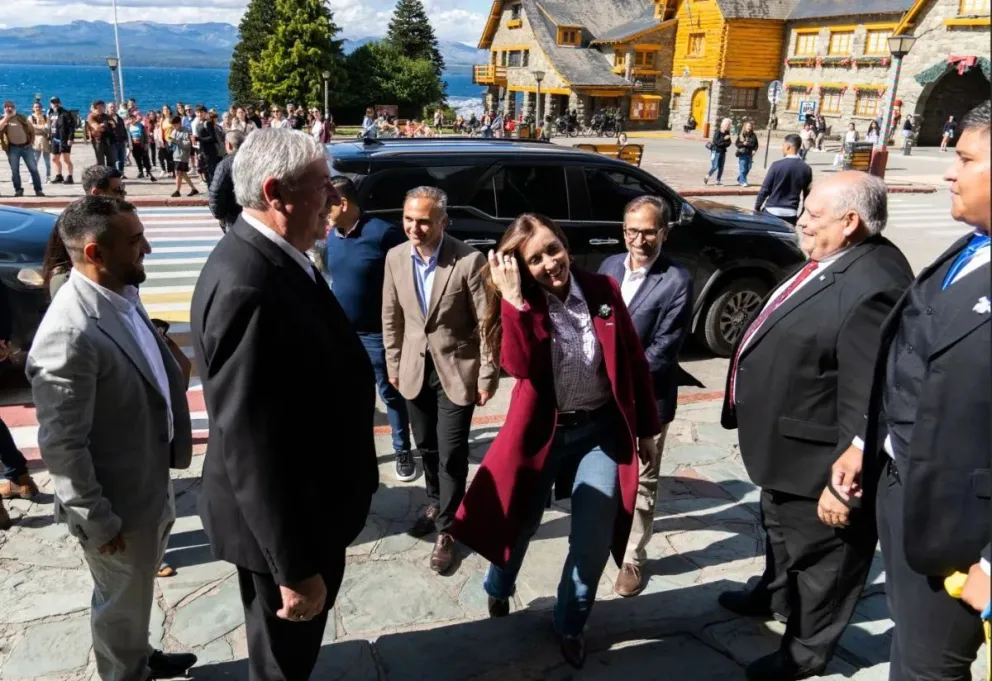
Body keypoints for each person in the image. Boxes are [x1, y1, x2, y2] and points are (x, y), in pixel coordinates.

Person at [191, 129, 378, 681]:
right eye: (324, 188)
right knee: (282, 666)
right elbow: (252, 443)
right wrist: (294, 569)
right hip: (289, 532)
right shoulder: (249, 286)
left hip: (308, 513)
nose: (335, 202)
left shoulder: (275, 255)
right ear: (276, 193)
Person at [720, 172, 913, 681]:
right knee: (780, 534)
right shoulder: (834, 258)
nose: (801, 220)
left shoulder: (874, 285)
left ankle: (804, 651)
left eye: (813, 213)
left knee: (825, 563)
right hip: (784, 449)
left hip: (817, 462)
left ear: (850, 223)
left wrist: (843, 482)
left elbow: (870, 398)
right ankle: (774, 593)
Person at [451, 214, 662, 669]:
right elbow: (520, 366)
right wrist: (513, 303)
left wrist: (646, 427)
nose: (550, 263)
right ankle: (498, 586)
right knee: (520, 523)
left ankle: (570, 623)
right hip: (542, 434)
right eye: (535, 259)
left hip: (600, 433)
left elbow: (634, 361)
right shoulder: (522, 302)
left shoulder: (603, 291)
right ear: (520, 268)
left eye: (553, 249)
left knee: (590, 540)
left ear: (565, 244)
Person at [830, 100, 991, 681]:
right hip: (904, 490)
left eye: (967, 159)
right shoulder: (972, 244)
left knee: (929, 668)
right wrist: (862, 443)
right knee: (910, 648)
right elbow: (911, 362)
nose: (950, 172)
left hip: (963, 525)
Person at [26, 196, 197, 681]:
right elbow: (62, 445)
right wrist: (96, 521)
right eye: (135, 240)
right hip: (113, 507)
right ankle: (126, 674)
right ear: (96, 253)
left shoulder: (120, 296)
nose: (148, 248)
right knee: (120, 599)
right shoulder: (69, 332)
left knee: (135, 592)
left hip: (146, 482)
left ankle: (136, 654)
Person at [382, 186, 498, 574]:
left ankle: (447, 529)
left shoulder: (468, 260)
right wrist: (394, 365)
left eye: (424, 221)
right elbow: (391, 317)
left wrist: (487, 374)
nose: (414, 228)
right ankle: (436, 501)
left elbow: (487, 323)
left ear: (443, 222)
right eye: (408, 219)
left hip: (457, 372)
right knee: (426, 447)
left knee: (451, 455)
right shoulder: (395, 258)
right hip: (414, 372)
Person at [598, 196, 692, 597]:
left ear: (664, 233)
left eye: (649, 231)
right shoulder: (609, 268)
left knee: (643, 481)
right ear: (623, 231)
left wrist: (618, 380)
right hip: (603, 397)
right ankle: (603, 532)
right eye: (632, 230)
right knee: (607, 472)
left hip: (647, 399)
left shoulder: (676, 280)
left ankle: (633, 557)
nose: (639, 239)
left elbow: (664, 349)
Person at [322, 176, 413, 479]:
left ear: (344, 203)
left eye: (328, 204)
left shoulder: (383, 235)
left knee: (390, 394)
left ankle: (403, 450)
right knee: (351, 396)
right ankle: (358, 452)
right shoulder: (333, 235)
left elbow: (407, 279)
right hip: (344, 334)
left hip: (378, 334)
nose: (324, 211)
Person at [755, 134, 812, 226]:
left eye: (783, 145)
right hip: (791, 213)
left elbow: (765, 189)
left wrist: (757, 207)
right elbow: (807, 195)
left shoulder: (776, 165)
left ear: (788, 146)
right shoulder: (806, 169)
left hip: (771, 210)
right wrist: (803, 212)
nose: (782, 148)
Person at [1, 100, 45, 198]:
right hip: (13, 148)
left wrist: (31, 141)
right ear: (4, 108)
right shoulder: (3, 119)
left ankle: (38, 190)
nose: (9, 108)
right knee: (15, 171)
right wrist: (7, 117)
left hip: (26, 147)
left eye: (11, 106)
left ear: (14, 107)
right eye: (7, 107)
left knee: (33, 169)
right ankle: (18, 190)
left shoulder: (21, 117)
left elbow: (31, 130)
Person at [207, 131, 244, 233]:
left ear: (228, 145)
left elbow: (215, 192)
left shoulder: (225, 164)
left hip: (233, 215)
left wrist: (219, 216)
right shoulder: (255, 160)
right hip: (253, 213)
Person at [168, 116, 198, 198]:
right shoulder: (174, 131)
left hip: (182, 155)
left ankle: (177, 190)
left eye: (175, 125)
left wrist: (177, 141)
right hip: (176, 154)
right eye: (173, 126)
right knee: (183, 173)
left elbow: (187, 144)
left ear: (179, 123)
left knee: (178, 172)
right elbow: (172, 140)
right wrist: (171, 141)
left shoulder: (185, 131)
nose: (174, 127)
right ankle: (193, 189)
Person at [49, 97, 75, 185]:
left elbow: (72, 127)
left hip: (64, 139)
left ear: (60, 103)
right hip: (54, 139)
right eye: (53, 103)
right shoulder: (51, 113)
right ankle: (59, 176)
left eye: (57, 102)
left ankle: (70, 176)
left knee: (66, 159)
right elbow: (51, 126)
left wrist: (70, 138)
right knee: (54, 159)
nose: (55, 104)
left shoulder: (65, 113)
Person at [127, 110, 156, 181]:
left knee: (145, 158)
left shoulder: (140, 125)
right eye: (130, 119)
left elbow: (145, 135)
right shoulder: (128, 127)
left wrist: (146, 143)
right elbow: (127, 137)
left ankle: (149, 172)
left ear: (135, 118)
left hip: (141, 144)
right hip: (133, 145)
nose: (131, 120)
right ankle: (140, 172)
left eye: (132, 118)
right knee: (137, 159)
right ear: (128, 120)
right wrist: (128, 146)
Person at [704, 117, 733, 185]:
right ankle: (707, 176)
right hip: (716, 151)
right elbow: (715, 142)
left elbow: (729, 143)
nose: (728, 126)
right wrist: (723, 139)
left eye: (729, 125)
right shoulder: (718, 131)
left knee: (721, 167)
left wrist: (722, 143)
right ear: (722, 124)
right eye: (727, 125)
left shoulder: (727, 132)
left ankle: (718, 180)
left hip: (723, 151)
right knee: (715, 166)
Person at [87, 100, 114, 168]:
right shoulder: (91, 116)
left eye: (104, 106)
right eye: (102, 106)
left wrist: (103, 126)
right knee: (100, 160)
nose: (103, 107)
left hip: (107, 139)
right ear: (97, 107)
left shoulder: (106, 116)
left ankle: (110, 176)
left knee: (111, 159)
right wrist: (104, 125)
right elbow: (96, 128)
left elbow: (113, 125)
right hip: (97, 140)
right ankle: (102, 176)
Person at [29, 102, 52, 183]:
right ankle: (32, 177)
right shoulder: (31, 117)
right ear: (33, 108)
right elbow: (30, 127)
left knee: (47, 161)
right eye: (36, 107)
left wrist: (37, 127)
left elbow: (48, 128)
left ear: (41, 108)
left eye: (39, 107)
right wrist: (42, 127)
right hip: (35, 140)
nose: (37, 108)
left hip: (45, 140)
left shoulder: (46, 117)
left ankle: (48, 176)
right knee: (34, 160)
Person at [106, 102, 129, 175]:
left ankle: (121, 173)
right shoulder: (106, 118)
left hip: (121, 141)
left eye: (114, 107)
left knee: (122, 159)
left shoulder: (119, 118)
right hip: (113, 142)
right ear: (108, 109)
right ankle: (115, 174)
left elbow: (123, 129)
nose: (113, 108)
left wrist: (126, 138)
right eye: (111, 107)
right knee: (115, 160)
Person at [735, 120, 759, 187]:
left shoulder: (753, 135)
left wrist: (754, 150)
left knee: (748, 167)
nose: (749, 127)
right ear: (745, 127)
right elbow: (737, 144)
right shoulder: (742, 135)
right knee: (743, 168)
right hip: (742, 153)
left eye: (750, 126)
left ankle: (740, 178)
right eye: (747, 126)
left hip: (749, 154)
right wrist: (743, 143)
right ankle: (743, 181)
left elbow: (756, 145)